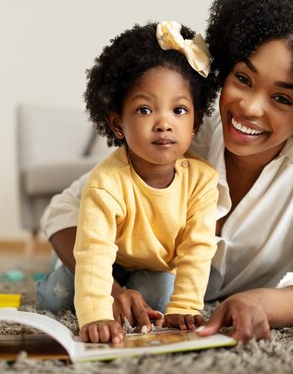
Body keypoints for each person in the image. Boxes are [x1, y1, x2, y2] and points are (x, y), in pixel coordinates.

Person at [37, 0, 293, 343]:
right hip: (127, 266)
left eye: (282, 98)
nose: (250, 107)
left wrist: (263, 302)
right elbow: (66, 212)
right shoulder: (187, 124)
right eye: (243, 79)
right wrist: (111, 291)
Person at [68, 21, 220, 343]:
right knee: (58, 294)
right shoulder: (106, 183)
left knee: (163, 297)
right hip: (107, 256)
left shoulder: (202, 181)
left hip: (153, 263)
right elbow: (96, 252)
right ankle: (61, 267)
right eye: (145, 109)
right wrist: (96, 313)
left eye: (179, 110)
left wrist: (186, 305)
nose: (164, 123)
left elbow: (197, 248)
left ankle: (131, 286)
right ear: (117, 124)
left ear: (194, 125)